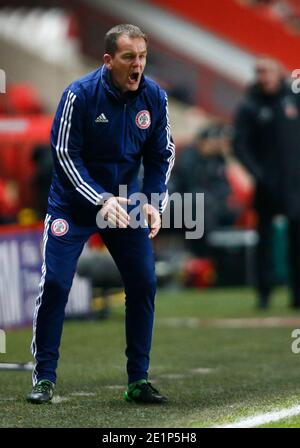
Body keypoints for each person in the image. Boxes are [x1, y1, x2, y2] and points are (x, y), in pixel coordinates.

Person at [26, 24, 175, 404]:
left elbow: (161, 155)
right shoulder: (79, 95)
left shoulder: (154, 97)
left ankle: (138, 380)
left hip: (124, 204)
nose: (137, 65)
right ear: (109, 61)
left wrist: (153, 201)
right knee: (57, 284)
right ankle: (44, 377)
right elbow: (63, 154)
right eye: (129, 57)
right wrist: (98, 197)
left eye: (142, 56)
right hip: (73, 205)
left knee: (143, 281)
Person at [234, 56, 300, 309]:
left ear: (278, 72)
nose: (263, 76)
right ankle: (263, 294)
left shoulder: (294, 99)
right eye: (258, 71)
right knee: (264, 242)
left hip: (295, 183)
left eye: (267, 70)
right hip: (266, 185)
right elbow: (240, 144)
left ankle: (297, 295)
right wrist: (257, 173)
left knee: (297, 241)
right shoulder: (250, 106)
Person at [174, 123, 240, 255]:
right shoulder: (189, 155)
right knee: (199, 201)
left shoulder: (217, 160)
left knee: (232, 210)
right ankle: (203, 252)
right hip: (183, 202)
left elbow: (224, 187)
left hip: (212, 204)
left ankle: (225, 254)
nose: (215, 144)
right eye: (213, 140)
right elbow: (188, 184)